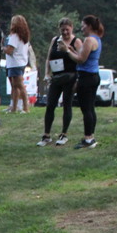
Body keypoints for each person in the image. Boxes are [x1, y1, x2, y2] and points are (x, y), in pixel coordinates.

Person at [38, 18, 82, 147]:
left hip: (70, 77)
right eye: (63, 30)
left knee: (67, 104)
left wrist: (69, 50)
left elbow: (81, 59)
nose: (65, 32)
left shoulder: (76, 41)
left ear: (72, 28)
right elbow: (49, 58)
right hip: (56, 77)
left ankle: (64, 134)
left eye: (67, 30)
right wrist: (47, 73)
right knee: (50, 104)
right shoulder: (55, 40)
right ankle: (46, 135)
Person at [62, 14, 103, 149]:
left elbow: (81, 60)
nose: (82, 28)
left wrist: (67, 51)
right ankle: (91, 136)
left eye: (83, 26)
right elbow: (82, 55)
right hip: (94, 76)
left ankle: (88, 139)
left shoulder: (89, 40)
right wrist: (73, 50)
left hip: (86, 78)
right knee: (90, 108)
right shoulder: (97, 39)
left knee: (86, 109)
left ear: (89, 26)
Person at [4, 15, 32, 114]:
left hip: (14, 63)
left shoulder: (14, 36)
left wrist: (2, 48)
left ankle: (26, 107)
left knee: (20, 86)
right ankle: (14, 107)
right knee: (15, 86)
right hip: (21, 62)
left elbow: (9, 51)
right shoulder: (24, 37)